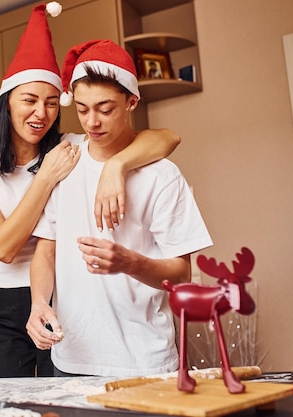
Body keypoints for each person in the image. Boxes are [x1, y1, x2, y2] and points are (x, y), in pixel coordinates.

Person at [0, 3, 180, 378]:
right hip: (2, 301)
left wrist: (116, 165)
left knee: (56, 398)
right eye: (28, 100)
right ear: (7, 102)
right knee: (10, 402)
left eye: (50, 103)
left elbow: (167, 137)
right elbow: (3, 247)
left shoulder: (73, 145)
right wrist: (45, 178)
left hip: (60, 294)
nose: (40, 113)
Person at [26, 39, 213, 377]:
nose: (92, 122)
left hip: (143, 362)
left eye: (105, 108)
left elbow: (181, 274)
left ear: (131, 102)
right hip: (71, 360)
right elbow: (47, 250)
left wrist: (129, 262)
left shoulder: (161, 175)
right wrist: (39, 302)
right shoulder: (63, 162)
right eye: (81, 109)